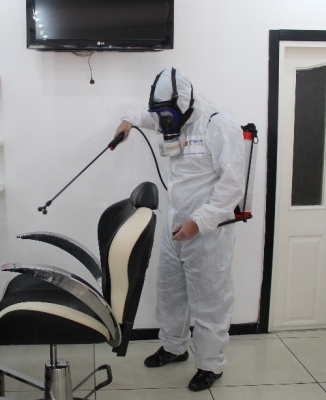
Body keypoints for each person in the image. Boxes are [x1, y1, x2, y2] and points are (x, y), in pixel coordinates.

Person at [114, 67, 245, 392]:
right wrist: (128, 121)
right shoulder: (168, 116)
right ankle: (174, 347)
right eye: (161, 115)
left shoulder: (219, 126)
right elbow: (146, 116)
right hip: (175, 225)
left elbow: (232, 186)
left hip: (207, 232)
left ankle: (210, 365)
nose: (164, 122)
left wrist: (198, 223)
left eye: (168, 116)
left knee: (209, 300)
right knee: (170, 292)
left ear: (184, 104)